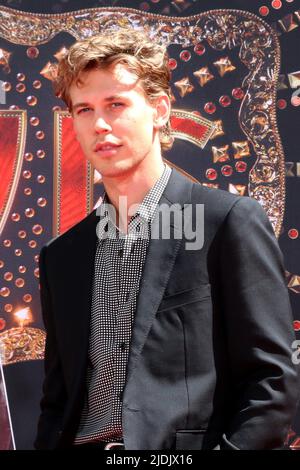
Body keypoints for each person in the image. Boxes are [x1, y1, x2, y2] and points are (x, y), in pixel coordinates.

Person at [35, 28, 298, 450]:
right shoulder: (61, 257)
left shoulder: (226, 221)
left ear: (159, 110)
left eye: (116, 104)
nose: (99, 124)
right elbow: (57, 401)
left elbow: (271, 382)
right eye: (83, 110)